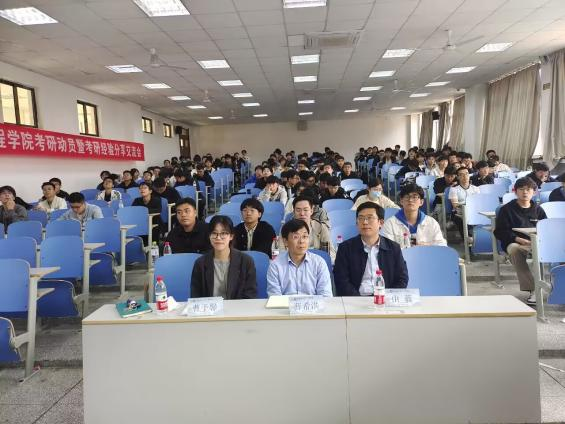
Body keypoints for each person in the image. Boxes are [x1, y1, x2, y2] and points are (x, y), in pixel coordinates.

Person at [333, 202, 408, 296]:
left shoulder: (393, 248)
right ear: (357, 223)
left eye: (370, 218)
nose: (365, 222)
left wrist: (387, 297)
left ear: (381, 223)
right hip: (355, 300)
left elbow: (402, 279)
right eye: (361, 218)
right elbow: (341, 280)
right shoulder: (345, 248)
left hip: (385, 299)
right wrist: (357, 300)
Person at [494, 177, 547, 305]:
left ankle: (556, 287)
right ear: (515, 191)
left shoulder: (538, 210)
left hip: (535, 242)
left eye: (528, 189)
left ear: (534, 192)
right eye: (521, 189)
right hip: (515, 242)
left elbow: (546, 229)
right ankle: (534, 289)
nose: (525, 192)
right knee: (515, 250)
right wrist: (519, 239)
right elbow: (500, 231)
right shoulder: (506, 209)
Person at [191, 215, 257, 299]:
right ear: (209, 236)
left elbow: (250, 295)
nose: (218, 238)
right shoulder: (200, 263)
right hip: (209, 307)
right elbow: (196, 296)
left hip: (238, 307)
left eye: (223, 233)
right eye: (214, 233)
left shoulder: (246, 261)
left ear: (231, 236)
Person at [266, 219, 333, 297]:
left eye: (305, 236)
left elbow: (325, 296)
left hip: (313, 304)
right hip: (285, 305)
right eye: (296, 237)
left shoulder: (319, 263)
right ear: (285, 241)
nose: (301, 241)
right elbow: (275, 298)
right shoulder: (275, 265)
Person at [382, 184, 446, 247]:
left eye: (414, 197)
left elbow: (442, 246)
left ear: (421, 202)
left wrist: (426, 246)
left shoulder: (431, 222)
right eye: (407, 197)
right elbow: (385, 248)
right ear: (401, 201)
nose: (410, 200)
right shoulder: (390, 224)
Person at [292, 195, 334, 260]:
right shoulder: (286, 229)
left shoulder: (321, 227)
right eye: (298, 210)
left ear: (311, 211)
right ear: (294, 212)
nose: (302, 213)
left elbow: (331, 252)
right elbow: (282, 252)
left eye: (305, 210)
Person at [449, 166, 480, 239]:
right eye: (461, 175)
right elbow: (455, 206)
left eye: (466, 174)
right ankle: (467, 239)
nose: (465, 176)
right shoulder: (454, 189)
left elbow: (479, 203)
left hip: (474, 211)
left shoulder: (476, 189)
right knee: (461, 219)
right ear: (458, 177)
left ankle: (476, 238)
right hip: (459, 212)